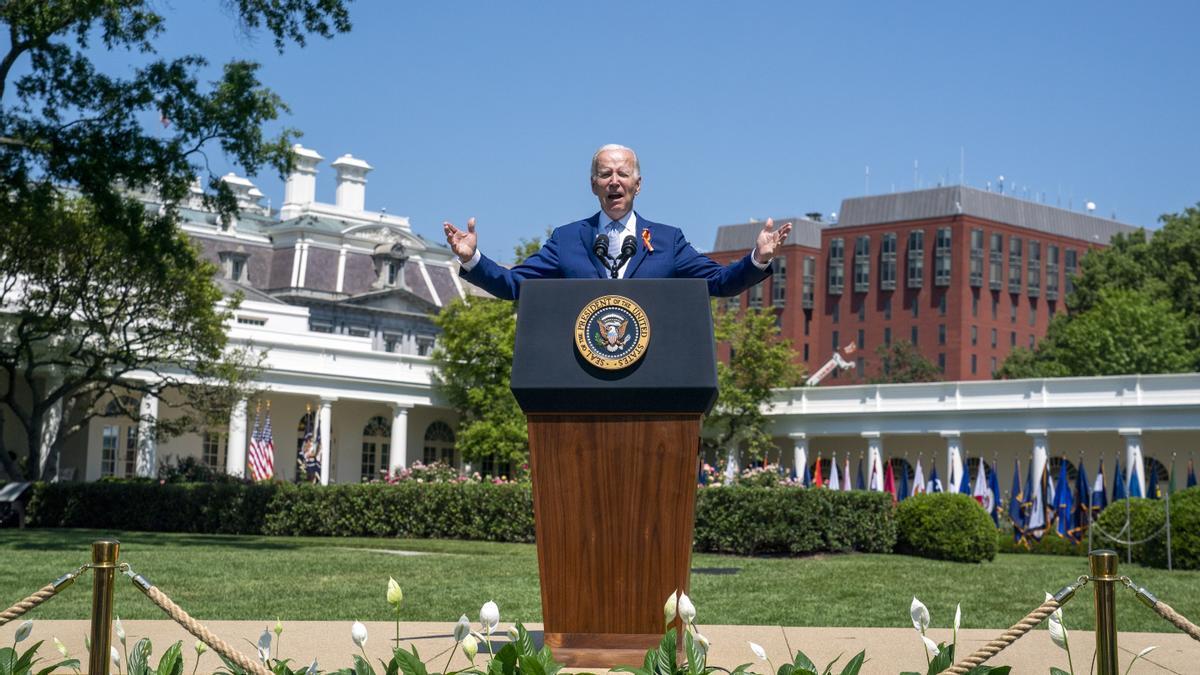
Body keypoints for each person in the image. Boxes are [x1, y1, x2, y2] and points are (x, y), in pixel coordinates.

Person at [443, 144, 792, 300]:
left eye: (623, 173)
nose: (614, 181)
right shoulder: (566, 240)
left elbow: (718, 282)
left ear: (637, 185)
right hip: (580, 380)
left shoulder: (668, 241)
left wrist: (758, 258)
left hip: (651, 381)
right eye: (605, 174)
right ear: (593, 184)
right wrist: (471, 259)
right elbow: (515, 285)